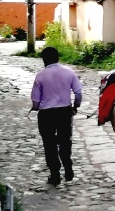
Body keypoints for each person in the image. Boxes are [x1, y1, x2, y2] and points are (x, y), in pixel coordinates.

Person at [31, 46, 83, 186]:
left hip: (46, 114)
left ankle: (55, 174)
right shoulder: (69, 72)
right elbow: (78, 93)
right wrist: (75, 106)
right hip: (64, 112)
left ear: (44, 60)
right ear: (58, 58)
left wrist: (35, 107)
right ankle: (68, 167)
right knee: (65, 141)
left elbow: (35, 102)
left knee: (49, 144)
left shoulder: (40, 76)